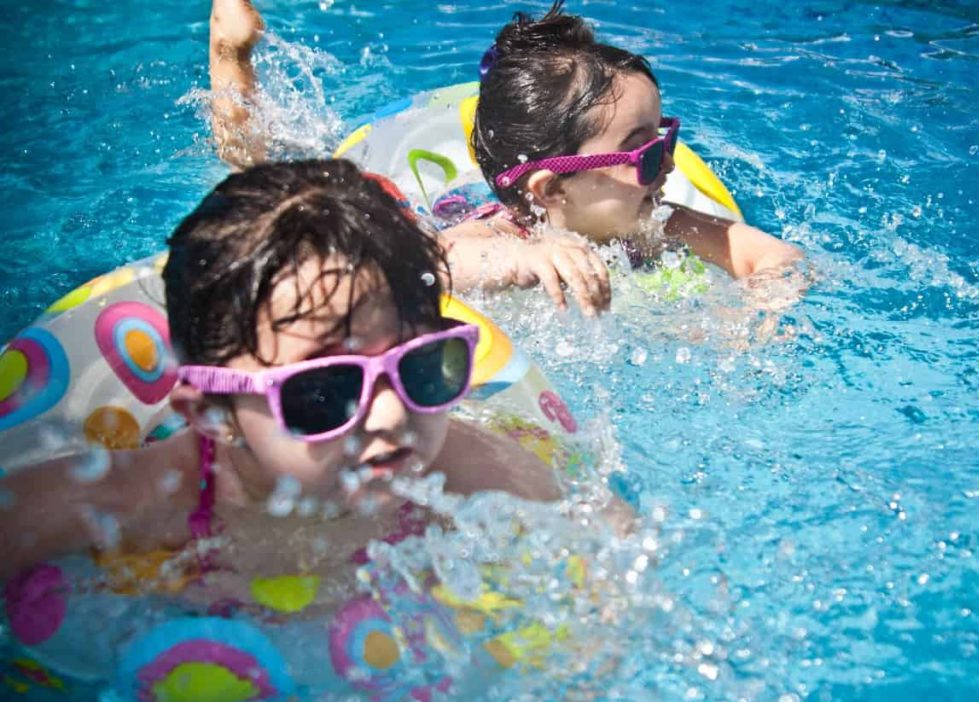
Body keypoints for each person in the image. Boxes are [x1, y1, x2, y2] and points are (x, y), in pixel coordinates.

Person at [0, 159, 563, 596]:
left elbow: (609, 551)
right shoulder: (127, 504)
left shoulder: (468, 473)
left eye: (420, 366)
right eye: (326, 390)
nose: (392, 415)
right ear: (211, 413)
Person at [206, 1, 801, 318]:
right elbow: (424, 266)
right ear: (550, 191)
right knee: (268, 188)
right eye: (642, 155)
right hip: (433, 213)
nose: (666, 166)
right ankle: (231, 54)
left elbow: (771, 256)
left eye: (664, 141)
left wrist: (761, 308)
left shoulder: (659, 223)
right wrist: (522, 256)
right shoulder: (499, 231)